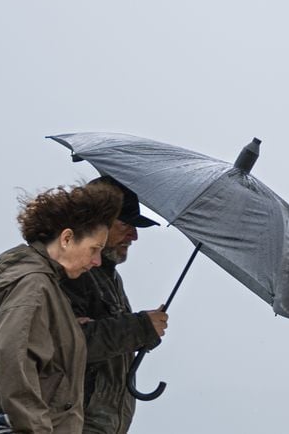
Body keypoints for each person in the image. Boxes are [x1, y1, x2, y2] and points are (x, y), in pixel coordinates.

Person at [0, 182, 122, 434]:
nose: (96, 261)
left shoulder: (44, 285)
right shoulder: (34, 286)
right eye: (94, 249)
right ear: (67, 238)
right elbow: (15, 368)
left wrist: (67, 331)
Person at [61, 176, 169, 434]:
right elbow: (68, 344)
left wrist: (143, 332)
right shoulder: (71, 271)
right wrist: (140, 328)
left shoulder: (110, 278)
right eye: (126, 224)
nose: (134, 236)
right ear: (98, 222)